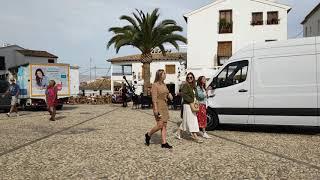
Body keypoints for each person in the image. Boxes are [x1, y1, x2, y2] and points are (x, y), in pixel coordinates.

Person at [145, 69, 173, 149]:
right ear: (159, 75)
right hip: (158, 106)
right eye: (164, 73)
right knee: (160, 124)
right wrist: (156, 110)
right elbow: (154, 99)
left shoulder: (164, 84)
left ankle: (164, 143)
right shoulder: (155, 85)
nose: (165, 75)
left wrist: (169, 95)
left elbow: (167, 93)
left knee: (164, 125)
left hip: (164, 105)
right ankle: (148, 134)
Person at [175, 72, 203, 143]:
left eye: (191, 77)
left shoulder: (194, 86)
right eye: (188, 77)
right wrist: (191, 100)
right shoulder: (185, 85)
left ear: (193, 78)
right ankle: (195, 136)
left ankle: (178, 133)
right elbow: (184, 95)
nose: (189, 79)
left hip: (193, 104)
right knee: (192, 120)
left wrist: (196, 100)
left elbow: (195, 95)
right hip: (187, 105)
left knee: (186, 120)